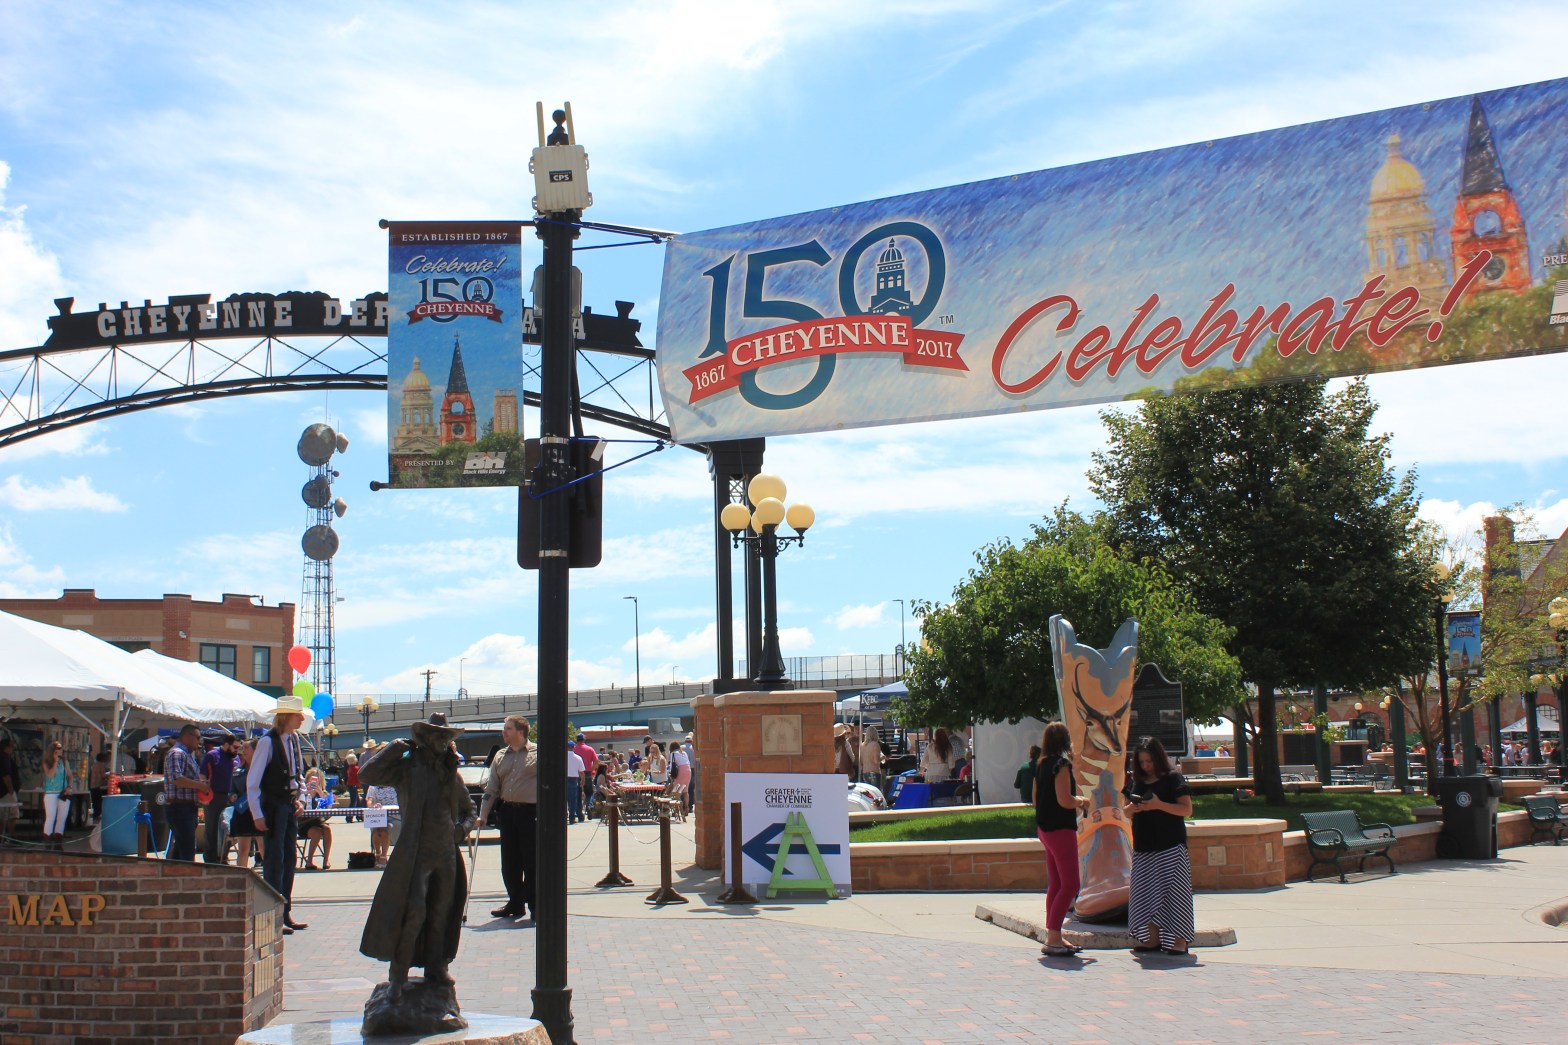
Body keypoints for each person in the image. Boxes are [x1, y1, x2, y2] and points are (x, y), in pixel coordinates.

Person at [359, 712, 476, 998]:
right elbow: (366, 775)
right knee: (414, 914)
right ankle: (398, 975)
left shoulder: (451, 773)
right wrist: (394, 748)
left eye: (446, 738)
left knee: (440, 914)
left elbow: (469, 809)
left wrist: (460, 830)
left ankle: (436, 967)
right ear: (425, 739)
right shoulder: (408, 769)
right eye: (438, 737)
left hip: (445, 854)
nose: (443, 742)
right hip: (416, 853)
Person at [1125, 736, 1195, 957]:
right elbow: (1125, 810)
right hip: (1144, 846)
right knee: (1145, 892)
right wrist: (1132, 809)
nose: (1146, 766)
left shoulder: (1173, 779)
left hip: (1170, 845)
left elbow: (1186, 809)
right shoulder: (1138, 781)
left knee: (1175, 895)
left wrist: (1158, 805)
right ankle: (1152, 938)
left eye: (1149, 761)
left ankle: (1180, 940)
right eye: (1142, 762)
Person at [248, 695, 310, 934]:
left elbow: (299, 775)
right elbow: (254, 781)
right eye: (297, 715)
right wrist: (257, 813)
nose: (301, 719)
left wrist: (301, 799)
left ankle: (285, 912)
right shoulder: (267, 742)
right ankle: (273, 916)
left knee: (289, 859)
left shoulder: (293, 740)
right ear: (286, 717)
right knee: (274, 860)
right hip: (273, 805)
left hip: (288, 805)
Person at [1035, 722, 1090, 957]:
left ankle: (1054, 935)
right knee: (1071, 885)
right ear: (1065, 741)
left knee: (1056, 884)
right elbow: (1065, 800)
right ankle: (1053, 937)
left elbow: (1036, 798)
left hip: (1044, 829)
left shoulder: (1040, 765)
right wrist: (1082, 801)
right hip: (1060, 829)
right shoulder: (1061, 765)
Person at [476, 715, 538, 920]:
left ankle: (536, 904)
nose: (504, 732)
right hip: (508, 812)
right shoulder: (500, 755)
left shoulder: (538, 753)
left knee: (532, 861)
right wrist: (483, 815)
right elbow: (492, 787)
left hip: (531, 813)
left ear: (521, 732)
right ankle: (516, 903)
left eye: (508, 728)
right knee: (509, 862)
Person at [161, 725, 207, 861]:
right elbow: (176, 778)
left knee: (181, 850)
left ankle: (174, 873)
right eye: (198, 737)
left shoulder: (186, 754)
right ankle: (186, 874)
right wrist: (200, 786)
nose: (199, 741)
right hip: (179, 808)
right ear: (187, 736)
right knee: (187, 850)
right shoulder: (177, 753)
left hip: (186, 807)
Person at [202, 735, 239, 864]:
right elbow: (202, 775)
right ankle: (210, 859)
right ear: (226, 744)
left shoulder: (232, 758)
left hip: (227, 796)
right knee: (212, 828)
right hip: (213, 796)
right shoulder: (212, 755)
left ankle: (223, 857)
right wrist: (205, 794)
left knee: (227, 828)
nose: (237, 750)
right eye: (235, 747)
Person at [229, 739, 263, 869]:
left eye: (246, 748)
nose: (243, 751)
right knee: (243, 849)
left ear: (256, 751)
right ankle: (241, 875)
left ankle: (270, 877)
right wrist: (232, 796)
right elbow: (231, 790)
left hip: (259, 811)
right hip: (243, 811)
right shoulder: (237, 771)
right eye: (242, 748)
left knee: (263, 846)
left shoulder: (264, 770)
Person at [40, 739, 75, 847]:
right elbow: (50, 775)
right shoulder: (46, 762)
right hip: (50, 792)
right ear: (53, 751)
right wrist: (55, 761)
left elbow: (70, 775)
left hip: (63, 792)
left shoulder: (64, 761)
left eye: (61, 748)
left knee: (62, 817)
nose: (61, 750)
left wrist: (69, 786)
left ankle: (58, 841)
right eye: (59, 748)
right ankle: (47, 840)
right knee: (51, 816)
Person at [302, 771, 334, 869]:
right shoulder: (302, 793)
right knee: (316, 832)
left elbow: (329, 808)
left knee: (327, 829)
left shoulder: (324, 793)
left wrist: (320, 792)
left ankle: (326, 860)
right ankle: (309, 861)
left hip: (318, 822)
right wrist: (306, 792)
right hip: (304, 824)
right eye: (312, 779)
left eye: (316, 779)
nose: (314, 782)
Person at [366, 780, 398, 867]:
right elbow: (369, 802)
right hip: (379, 816)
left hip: (395, 817)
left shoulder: (396, 786)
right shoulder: (373, 787)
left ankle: (383, 856)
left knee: (386, 828)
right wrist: (374, 805)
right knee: (378, 828)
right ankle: (378, 853)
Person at [0, 737, 20, 845]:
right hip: (6, 791)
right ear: (6, 747)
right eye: (11, 746)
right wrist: (10, 788)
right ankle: (11, 836)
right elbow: (6, 774)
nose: (12, 748)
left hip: (2, 791)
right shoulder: (5, 757)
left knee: (2, 815)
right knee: (13, 814)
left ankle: (2, 838)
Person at [669, 740, 693, 813]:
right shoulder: (684, 753)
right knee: (685, 791)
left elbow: (671, 765)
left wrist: (671, 774)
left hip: (680, 770)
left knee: (676, 790)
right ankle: (686, 808)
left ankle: (676, 809)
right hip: (688, 770)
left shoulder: (673, 753)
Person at [566, 740, 586, 824]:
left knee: (564, 799)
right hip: (574, 779)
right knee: (573, 799)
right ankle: (572, 817)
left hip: (564, 779)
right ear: (573, 747)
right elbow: (581, 772)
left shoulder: (562, 757)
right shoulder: (578, 758)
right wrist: (583, 781)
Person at [860, 727, 886, 792]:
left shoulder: (863, 745)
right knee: (875, 793)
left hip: (865, 772)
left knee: (868, 794)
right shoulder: (875, 744)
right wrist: (883, 757)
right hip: (874, 771)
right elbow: (876, 761)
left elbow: (861, 760)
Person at [89, 751, 109, 823]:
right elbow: (103, 776)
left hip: (91, 785)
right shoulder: (101, 766)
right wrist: (108, 774)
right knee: (98, 801)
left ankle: (93, 814)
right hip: (97, 786)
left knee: (93, 801)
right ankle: (96, 814)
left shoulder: (93, 765)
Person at [344, 753, 362, 822]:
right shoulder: (356, 768)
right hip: (354, 785)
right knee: (354, 802)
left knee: (357, 801)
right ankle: (349, 816)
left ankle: (359, 815)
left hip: (351, 785)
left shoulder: (349, 768)